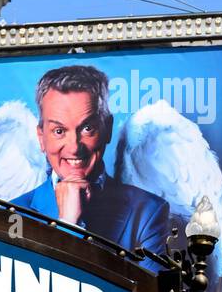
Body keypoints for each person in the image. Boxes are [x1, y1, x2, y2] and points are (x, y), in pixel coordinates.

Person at [14, 65, 170, 262]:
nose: (74, 147)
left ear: (108, 129)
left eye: (87, 128)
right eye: (59, 131)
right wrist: (68, 224)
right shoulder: (11, 215)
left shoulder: (148, 212)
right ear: (41, 137)